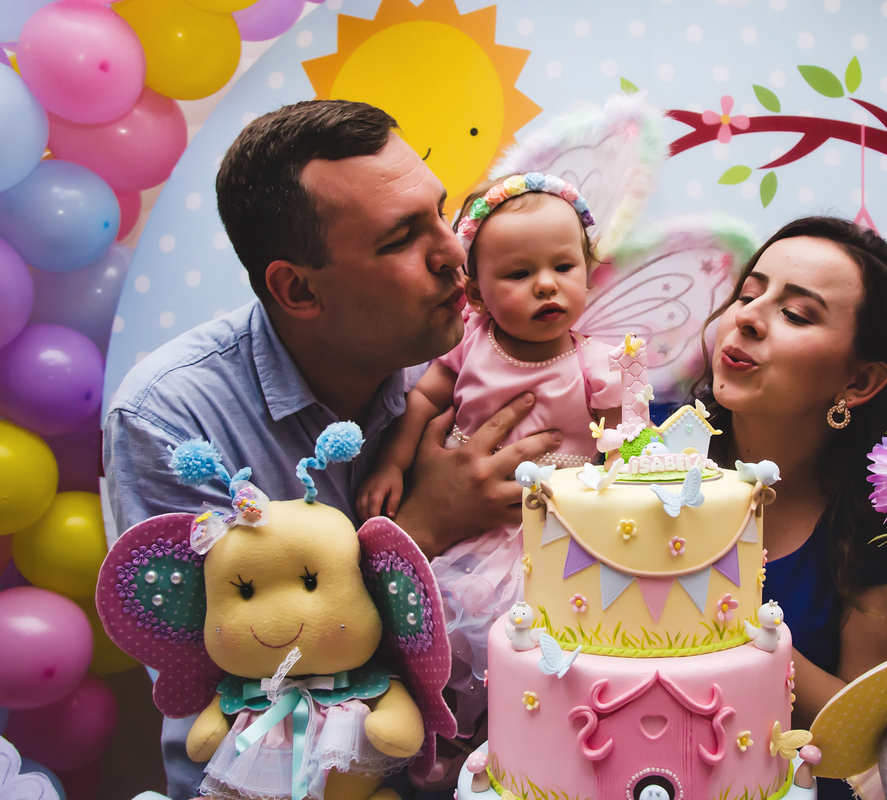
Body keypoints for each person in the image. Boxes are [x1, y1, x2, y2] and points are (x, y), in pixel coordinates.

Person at [103, 100, 562, 800]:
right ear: (297, 288)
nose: (454, 253)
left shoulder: (469, 359)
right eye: (403, 238)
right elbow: (240, 681)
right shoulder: (173, 417)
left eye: (441, 212)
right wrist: (422, 529)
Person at [692, 216, 887, 800]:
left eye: (795, 314)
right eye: (749, 293)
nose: (745, 317)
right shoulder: (651, 455)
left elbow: (861, 743)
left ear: (861, 380)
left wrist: (716, 615)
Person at [356, 172, 622, 748]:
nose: (546, 286)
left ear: (589, 272)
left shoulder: (598, 364)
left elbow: (623, 446)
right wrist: (392, 466)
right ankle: (450, 748)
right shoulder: (471, 341)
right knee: (448, 635)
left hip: (557, 530)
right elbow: (422, 400)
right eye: (519, 274)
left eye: (563, 267)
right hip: (471, 534)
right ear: (476, 293)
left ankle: (544, 748)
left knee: (551, 650)